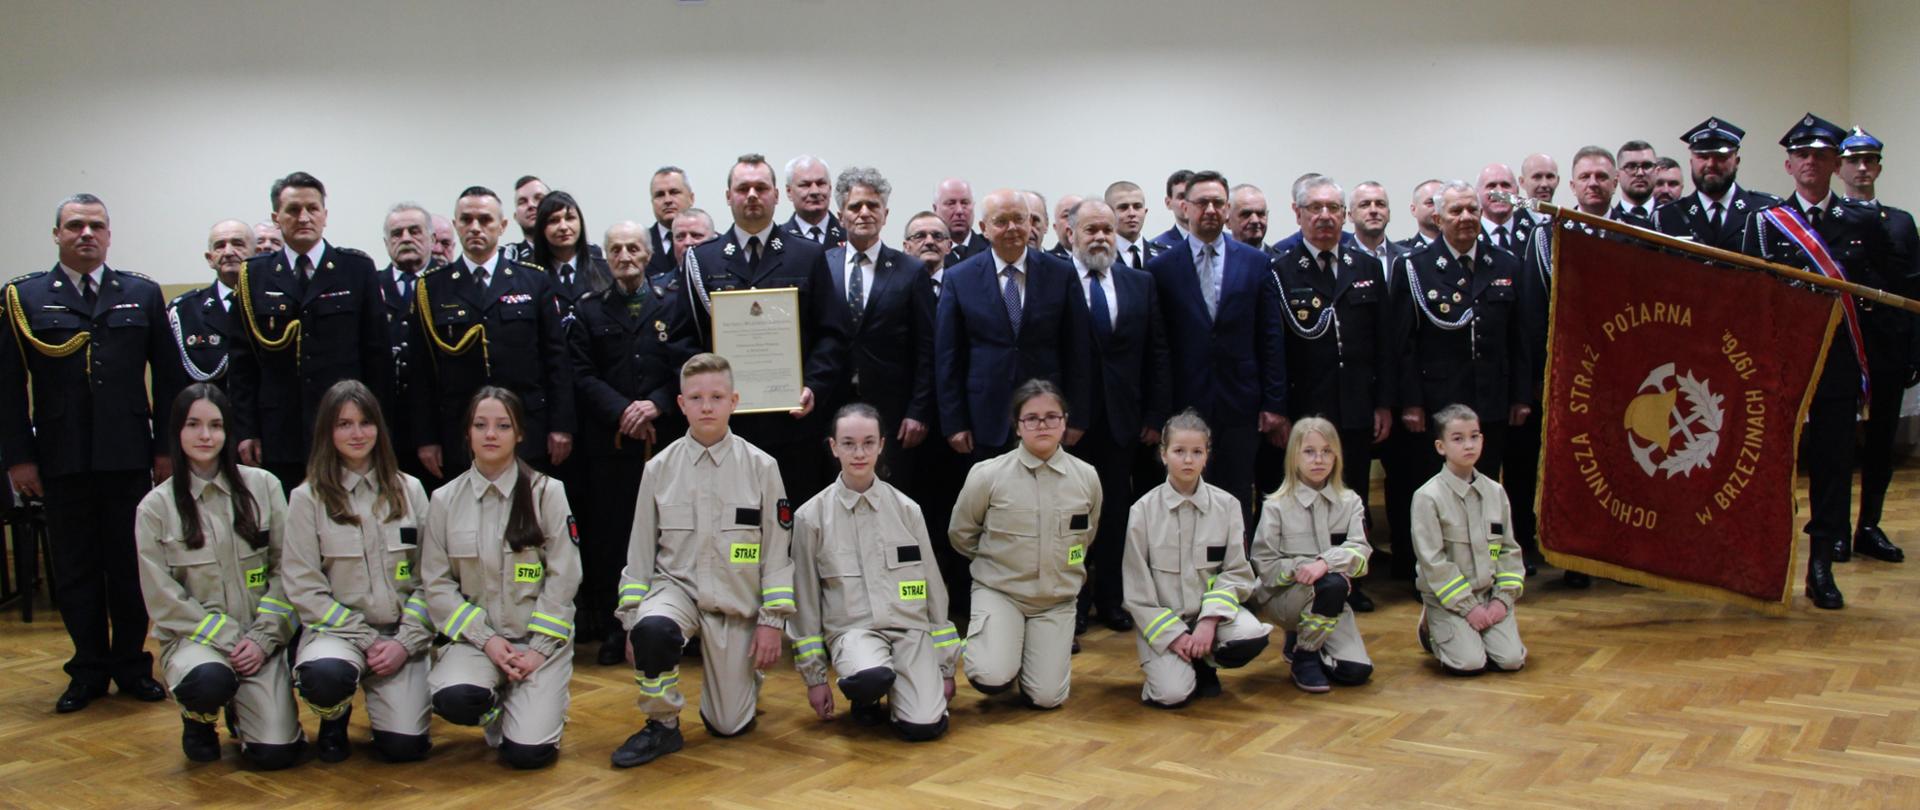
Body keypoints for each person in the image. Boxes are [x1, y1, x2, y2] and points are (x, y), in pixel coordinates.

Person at [1, 193, 174, 713]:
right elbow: (8, 389)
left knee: (128, 566)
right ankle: (87, 669)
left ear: (109, 234)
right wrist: (18, 459)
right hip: (61, 457)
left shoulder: (140, 294)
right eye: (74, 225)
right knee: (75, 568)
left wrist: (165, 450)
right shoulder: (23, 297)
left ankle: (131, 664)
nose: (86, 234)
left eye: (96, 225)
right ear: (56, 234)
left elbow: (168, 379)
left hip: (127, 455)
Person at [1741, 114, 1901, 609]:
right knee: (1770, 466)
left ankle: (1820, 567)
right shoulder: (1764, 223)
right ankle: (1765, 560)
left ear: (1836, 163)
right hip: (1779, 365)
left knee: (1833, 466)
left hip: (1837, 364)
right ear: (1788, 165)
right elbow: (1750, 297)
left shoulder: (1864, 224)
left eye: (1821, 154)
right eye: (1802, 155)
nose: (1811, 162)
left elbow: (1878, 297)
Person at [612, 354, 794, 767]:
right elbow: (640, 551)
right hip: (676, 591)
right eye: (696, 398)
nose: (707, 406)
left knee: (728, 724)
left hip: (735, 600)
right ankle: (662, 725)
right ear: (681, 404)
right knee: (653, 631)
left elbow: (778, 552)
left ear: (734, 401)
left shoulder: (762, 468)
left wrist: (771, 623)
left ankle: (746, 680)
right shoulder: (659, 469)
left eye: (716, 397)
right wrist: (632, 620)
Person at [133, 384, 302, 768]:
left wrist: (262, 637)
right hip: (199, 641)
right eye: (194, 424)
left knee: (277, 754)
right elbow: (162, 599)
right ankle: (199, 717)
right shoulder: (155, 508)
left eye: (215, 425)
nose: (205, 436)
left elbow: (288, 570)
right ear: (177, 431)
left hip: (260, 638)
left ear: (229, 432)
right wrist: (227, 637)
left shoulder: (264, 486)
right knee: (209, 681)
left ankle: (244, 712)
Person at [420, 386, 581, 769]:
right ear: (468, 433)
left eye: (502, 426)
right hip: (479, 645)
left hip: (537, 644)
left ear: (519, 434)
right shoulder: (443, 500)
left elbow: (564, 577)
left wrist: (538, 650)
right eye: (481, 425)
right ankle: (494, 705)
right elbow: (437, 586)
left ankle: (541, 702)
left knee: (527, 756)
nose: (491, 434)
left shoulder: (547, 493)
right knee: (454, 699)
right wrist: (487, 640)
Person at [280, 380, 434, 763]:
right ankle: (335, 716)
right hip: (338, 634)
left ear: (379, 429)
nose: (357, 433)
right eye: (344, 424)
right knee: (326, 677)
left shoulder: (410, 490)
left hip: (400, 636)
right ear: (327, 432)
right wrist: (366, 639)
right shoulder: (306, 498)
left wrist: (405, 642)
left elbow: (433, 578)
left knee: (405, 748)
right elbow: (305, 589)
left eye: (365, 422)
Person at [567, 221, 700, 665]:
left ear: (648, 255)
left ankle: (671, 624)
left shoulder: (673, 303)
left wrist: (658, 404)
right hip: (612, 446)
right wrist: (622, 410)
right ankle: (614, 626)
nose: (625, 256)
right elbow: (581, 373)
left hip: (662, 441)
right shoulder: (587, 310)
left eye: (633, 248)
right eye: (615, 248)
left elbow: (685, 364)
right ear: (605, 256)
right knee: (612, 537)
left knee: (670, 534)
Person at [683, 153, 850, 504]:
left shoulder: (807, 255)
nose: (753, 195)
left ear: (776, 194)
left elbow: (832, 334)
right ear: (729, 196)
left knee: (795, 518)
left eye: (761, 187)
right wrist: (708, 395)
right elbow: (686, 340)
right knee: (733, 520)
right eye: (743, 188)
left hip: (793, 422)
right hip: (727, 427)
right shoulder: (703, 259)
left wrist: (814, 387)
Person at [789, 403, 959, 740]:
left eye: (868, 442)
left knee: (924, 728)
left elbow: (934, 589)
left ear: (882, 445)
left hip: (910, 633)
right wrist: (815, 679)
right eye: (849, 443)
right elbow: (805, 602)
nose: (859, 453)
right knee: (869, 678)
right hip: (854, 634)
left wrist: (945, 667)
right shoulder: (811, 517)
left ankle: (906, 693)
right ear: (834, 447)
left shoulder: (908, 510)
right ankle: (868, 696)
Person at [1263, 177, 1392, 610]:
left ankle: (1351, 581)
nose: (1325, 216)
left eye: (1333, 208)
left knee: (1350, 496)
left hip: (1356, 404)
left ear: (1345, 214)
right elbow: (1274, 347)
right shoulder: (1280, 268)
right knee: (1305, 500)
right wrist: (1278, 411)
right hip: (1307, 409)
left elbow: (1383, 343)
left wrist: (1383, 402)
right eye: (1315, 208)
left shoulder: (1365, 265)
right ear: (1298, 214)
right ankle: (1307, 581)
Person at [229, 172, 395, 492]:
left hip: (347, 428)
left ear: (325, 215)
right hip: (279, 429)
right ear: (277, 218)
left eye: (312, 208)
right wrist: (246, 429)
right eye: (293, 210)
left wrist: (378, 427)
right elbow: (243, 364)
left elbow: (377, 359)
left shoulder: (356, 269)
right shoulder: (254, 275)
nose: (303, 217)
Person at [950, 379, 1101, 709]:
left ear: (1065, 421)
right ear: (1017, 427)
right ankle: (1003, 648)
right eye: (1031, 418)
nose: (1042, 424)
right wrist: (997, 561)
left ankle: (1027, 653)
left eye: (1052, 416)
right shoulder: (987, 475)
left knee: (1048, 698)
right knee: (990, 674)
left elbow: (1086, 536)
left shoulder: (1087, 477)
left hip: (1056, 600)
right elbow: (961, 533)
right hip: (1002, 594)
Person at [1146, 170, 1287, 519]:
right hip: (1185, 400)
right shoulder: (1161, 267)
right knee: (1187, 491)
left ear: (1227, 210)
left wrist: (1274, 401)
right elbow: (1158, 345)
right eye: (1201, 202)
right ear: (1184, 207)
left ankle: (1236, 569)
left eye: (1218, 203)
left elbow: (1270, 336)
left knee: (1238, 489)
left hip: (1241, 399)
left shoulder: (1256, 263)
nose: (1210, 209)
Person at [408, 186, 574, 479]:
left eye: (485, 220)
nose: (475, 228)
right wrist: (426, 438)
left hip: (527, 426)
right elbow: (421, 372)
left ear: (502, 225)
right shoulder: (431, 288)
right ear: (456, 224)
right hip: (460, 430)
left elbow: (556, 361)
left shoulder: (533, 280)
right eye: (467, 220)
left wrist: (560, 425)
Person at [1065, 199, 1169, 637]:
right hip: (1070, 425)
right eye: (1090, 230)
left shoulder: (1139, 282)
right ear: (1071, 234)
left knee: (1115, 514)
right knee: (1072, 519)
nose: (1101, 237)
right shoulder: (1055, 280)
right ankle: (1074, 601)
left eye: (1106, 229)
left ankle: (1110, 596)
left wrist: (1155, 414)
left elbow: (1156, 354)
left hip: (1123, 420)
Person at [1123, 410, 1271, 707]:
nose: (1188, 460)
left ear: (1207, 456)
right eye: (1179, 451)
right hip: (1165, 624)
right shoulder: (1143, 512)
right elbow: (1137, 591)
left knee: (1251, 635)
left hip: (1209, 621)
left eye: (1196, 452)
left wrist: (1209, 620)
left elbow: (1238, 575)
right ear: (1163, 455)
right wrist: (1175, 636)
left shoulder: (1228, 506)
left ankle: (1206, 663)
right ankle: (1176, 666)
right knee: (1171, 694)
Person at [935, 188, 1091, 460]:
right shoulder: (959, 278)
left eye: (1019, 219)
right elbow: (948, 356)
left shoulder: (1061, 274)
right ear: (984, 228)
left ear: (1031, 223)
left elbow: (1078, 350)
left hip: (1047, 415)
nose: (1012, 228)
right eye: (1001, 221)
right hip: (983, 416)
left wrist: (1076, 417)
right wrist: (954, 422)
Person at [1396, 181, 1530, 482]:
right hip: (1439, 402)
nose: (1466, 216)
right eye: (1456, 210)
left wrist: (1521, 396)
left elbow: (1519, 337)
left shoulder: (1506, 264)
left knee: (1487, 481)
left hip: (1492, 400)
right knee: (1439, 486)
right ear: (1438, 219)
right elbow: (1404, 344)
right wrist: (1411, 402)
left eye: (1472, 209)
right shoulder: (1415, 267)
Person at [823, 167, 936, 489]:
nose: (864, 213)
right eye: (855, 206)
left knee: (892, 494)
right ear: (840, 214)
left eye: (873, 206)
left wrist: (919, 411)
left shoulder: (910, 271)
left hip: (894, 411)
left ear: (885, 214)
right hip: (832, 406)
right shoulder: (822, 264)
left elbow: (927, 348)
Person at [1838, 127, 1920, 566]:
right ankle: (1833, 529)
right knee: (1835, 443)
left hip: (1888, 346)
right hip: (1844, 345)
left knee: (1882, 440)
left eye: (1870, 161)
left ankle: (1869, 524)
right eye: (1855, 161)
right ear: (1841, 168)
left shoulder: (1901, 221)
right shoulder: (1827, 219)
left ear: (1879, 167)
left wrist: (1915, 351)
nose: (1863, 169)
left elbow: (1913, 288)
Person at [1250, 416, 1373, 692]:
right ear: (1294, 457)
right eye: (1309, 451)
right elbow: (1266, 567)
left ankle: (1309, 641)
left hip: (1330, 600)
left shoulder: (1350, 502)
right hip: (1284, 597)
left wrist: (1323, 563)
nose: (1319, 459)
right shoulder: (1276, 506)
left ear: (1336, 456)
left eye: (1326, 451)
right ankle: (1304, 655)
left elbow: (1361, 554)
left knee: (1355, 672)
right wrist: (1303, 569)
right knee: (1332, 583)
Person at [1412, 405, 1527, 675]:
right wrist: (1467, 607)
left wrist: (1502, 600)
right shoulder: (1427, 497)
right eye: (1458, 438)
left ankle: (1479, 632)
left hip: (1489, 593)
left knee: (1511, 661)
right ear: (1441, 446)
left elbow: (1509, 549)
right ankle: (1431, 627)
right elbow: (1434, 562)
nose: (1469, 445)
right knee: (1470, 663)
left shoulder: (1495, 492)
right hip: (1449, 596)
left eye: (1475, 436)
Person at [901, 212, 974, 622]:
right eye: (919, 235)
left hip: (957, 426)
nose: (929, 241)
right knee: (919, 519)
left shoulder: (964, 284)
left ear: (950, 245)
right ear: (906, 245)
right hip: (910, 426)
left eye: (938, 235)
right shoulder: (897, 285)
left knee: (956, 519)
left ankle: (959, 608)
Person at [1652, 116, 1781, 251]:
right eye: (1703, 157)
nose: (1711, 164)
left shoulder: (1767, 211)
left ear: (1736, 162)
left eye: (1720, 157)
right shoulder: (1667, 216)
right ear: (1691, 163)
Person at [163, 219, 252, 405]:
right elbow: (172, 381)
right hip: (207, 420)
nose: (228, 252)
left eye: (238, 244)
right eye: (220, 246)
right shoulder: (184, 311)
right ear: (210, 258)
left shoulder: (270, 305)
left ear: (256, 252)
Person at [378, 203, 434, 486]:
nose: (406, 238)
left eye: (415, 231)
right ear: (386, 243)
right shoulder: (372, 287)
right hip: (387, 425)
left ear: (432, 239)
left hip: (439, 426)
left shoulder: (448, 284)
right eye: (397, 233)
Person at [529, 190, 613, 307]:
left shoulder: (605, 269)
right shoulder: (528, 276)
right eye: (553, 220)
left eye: (570, 218)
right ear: (541, 228)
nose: (563, 227)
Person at [1106, 180, 1170, 270]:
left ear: (1145, 211)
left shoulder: (1164, 255)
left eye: (1137, 207)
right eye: (1123, 207)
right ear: (1108, 213)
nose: (1132, 213)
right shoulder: (1101, 257)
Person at [784, 155, 845, 246]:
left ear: (830, 188)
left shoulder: (851, 235)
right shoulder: (779, 238)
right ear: (789, 192)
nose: (815, 191)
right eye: (805, 185)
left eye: (821, 184)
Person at [648, 167, 695, 276]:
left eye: (674, 192)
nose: (667, 200)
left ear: (691, 198)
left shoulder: (713, 242)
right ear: (652, 202)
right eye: (660, 195)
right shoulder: (638, 246)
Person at [1477, 163, 1533, 254]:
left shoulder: (1532, 235)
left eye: (1505, 185)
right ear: (1477, 193)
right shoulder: (1469, 237)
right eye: (1491, 186)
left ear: (1517, 192)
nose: (1500, 192)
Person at [935, 178, 988, 265]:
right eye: (951, 203)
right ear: (935, 209)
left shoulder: (992, 248)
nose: (959, 211)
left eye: (965, 203)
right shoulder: (929, 253)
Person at [1614, 140, 1661, 224]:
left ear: (1657, 172)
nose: (1640, 173)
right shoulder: (1608, 222)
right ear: (1617, 175)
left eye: (1646, 166)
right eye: (1631, 166)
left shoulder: (1673, 218)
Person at [503, 175, 548, 263]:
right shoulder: (506, 258)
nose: (531, 205)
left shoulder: (578, 255)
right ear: (516, 217)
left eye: (538, 198)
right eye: (522, 202)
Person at [1150, 169, 1195, 247]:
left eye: (1192, 196)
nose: (1187, 202)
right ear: (1168, 203)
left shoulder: (1219, 243)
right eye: (1181, 197)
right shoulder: (1156, 247)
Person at [1228, 184, 1270, 248]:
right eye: (1246, 214)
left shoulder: (1282, 258)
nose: (1255, 220)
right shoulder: (1217, 257)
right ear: (1228, 221)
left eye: (1260, 214)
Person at [1046, 194, 1085, 259]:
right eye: (1067, 215)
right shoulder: (1046, 262)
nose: (1074, 221)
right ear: (1056, 227)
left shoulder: (1102, 262)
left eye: (1080, 215)